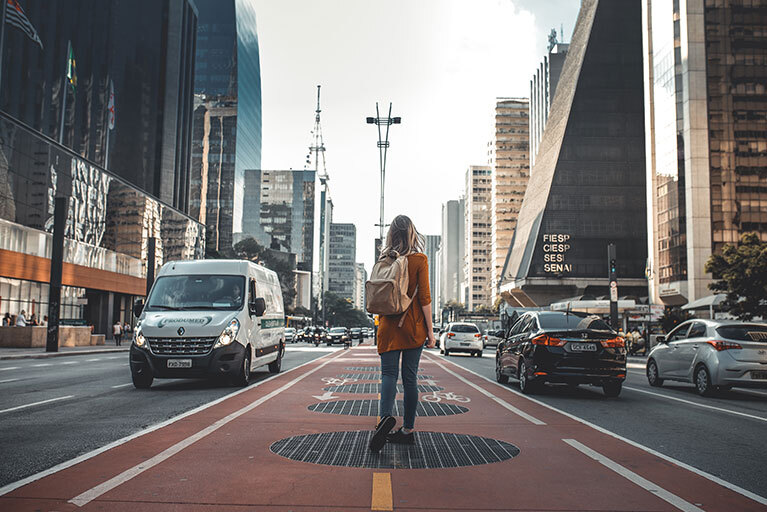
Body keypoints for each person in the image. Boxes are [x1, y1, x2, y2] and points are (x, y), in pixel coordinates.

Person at [369, 215, 437, 453]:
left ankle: (384, 420)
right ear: (412, 233)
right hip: (413, 328)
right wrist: (431, 332)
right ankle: (407, 430)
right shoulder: (420, 260)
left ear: (391, 235)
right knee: (410, 378)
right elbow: (425, 299)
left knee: (388, 375)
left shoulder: (385, 259)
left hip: (388, 327)